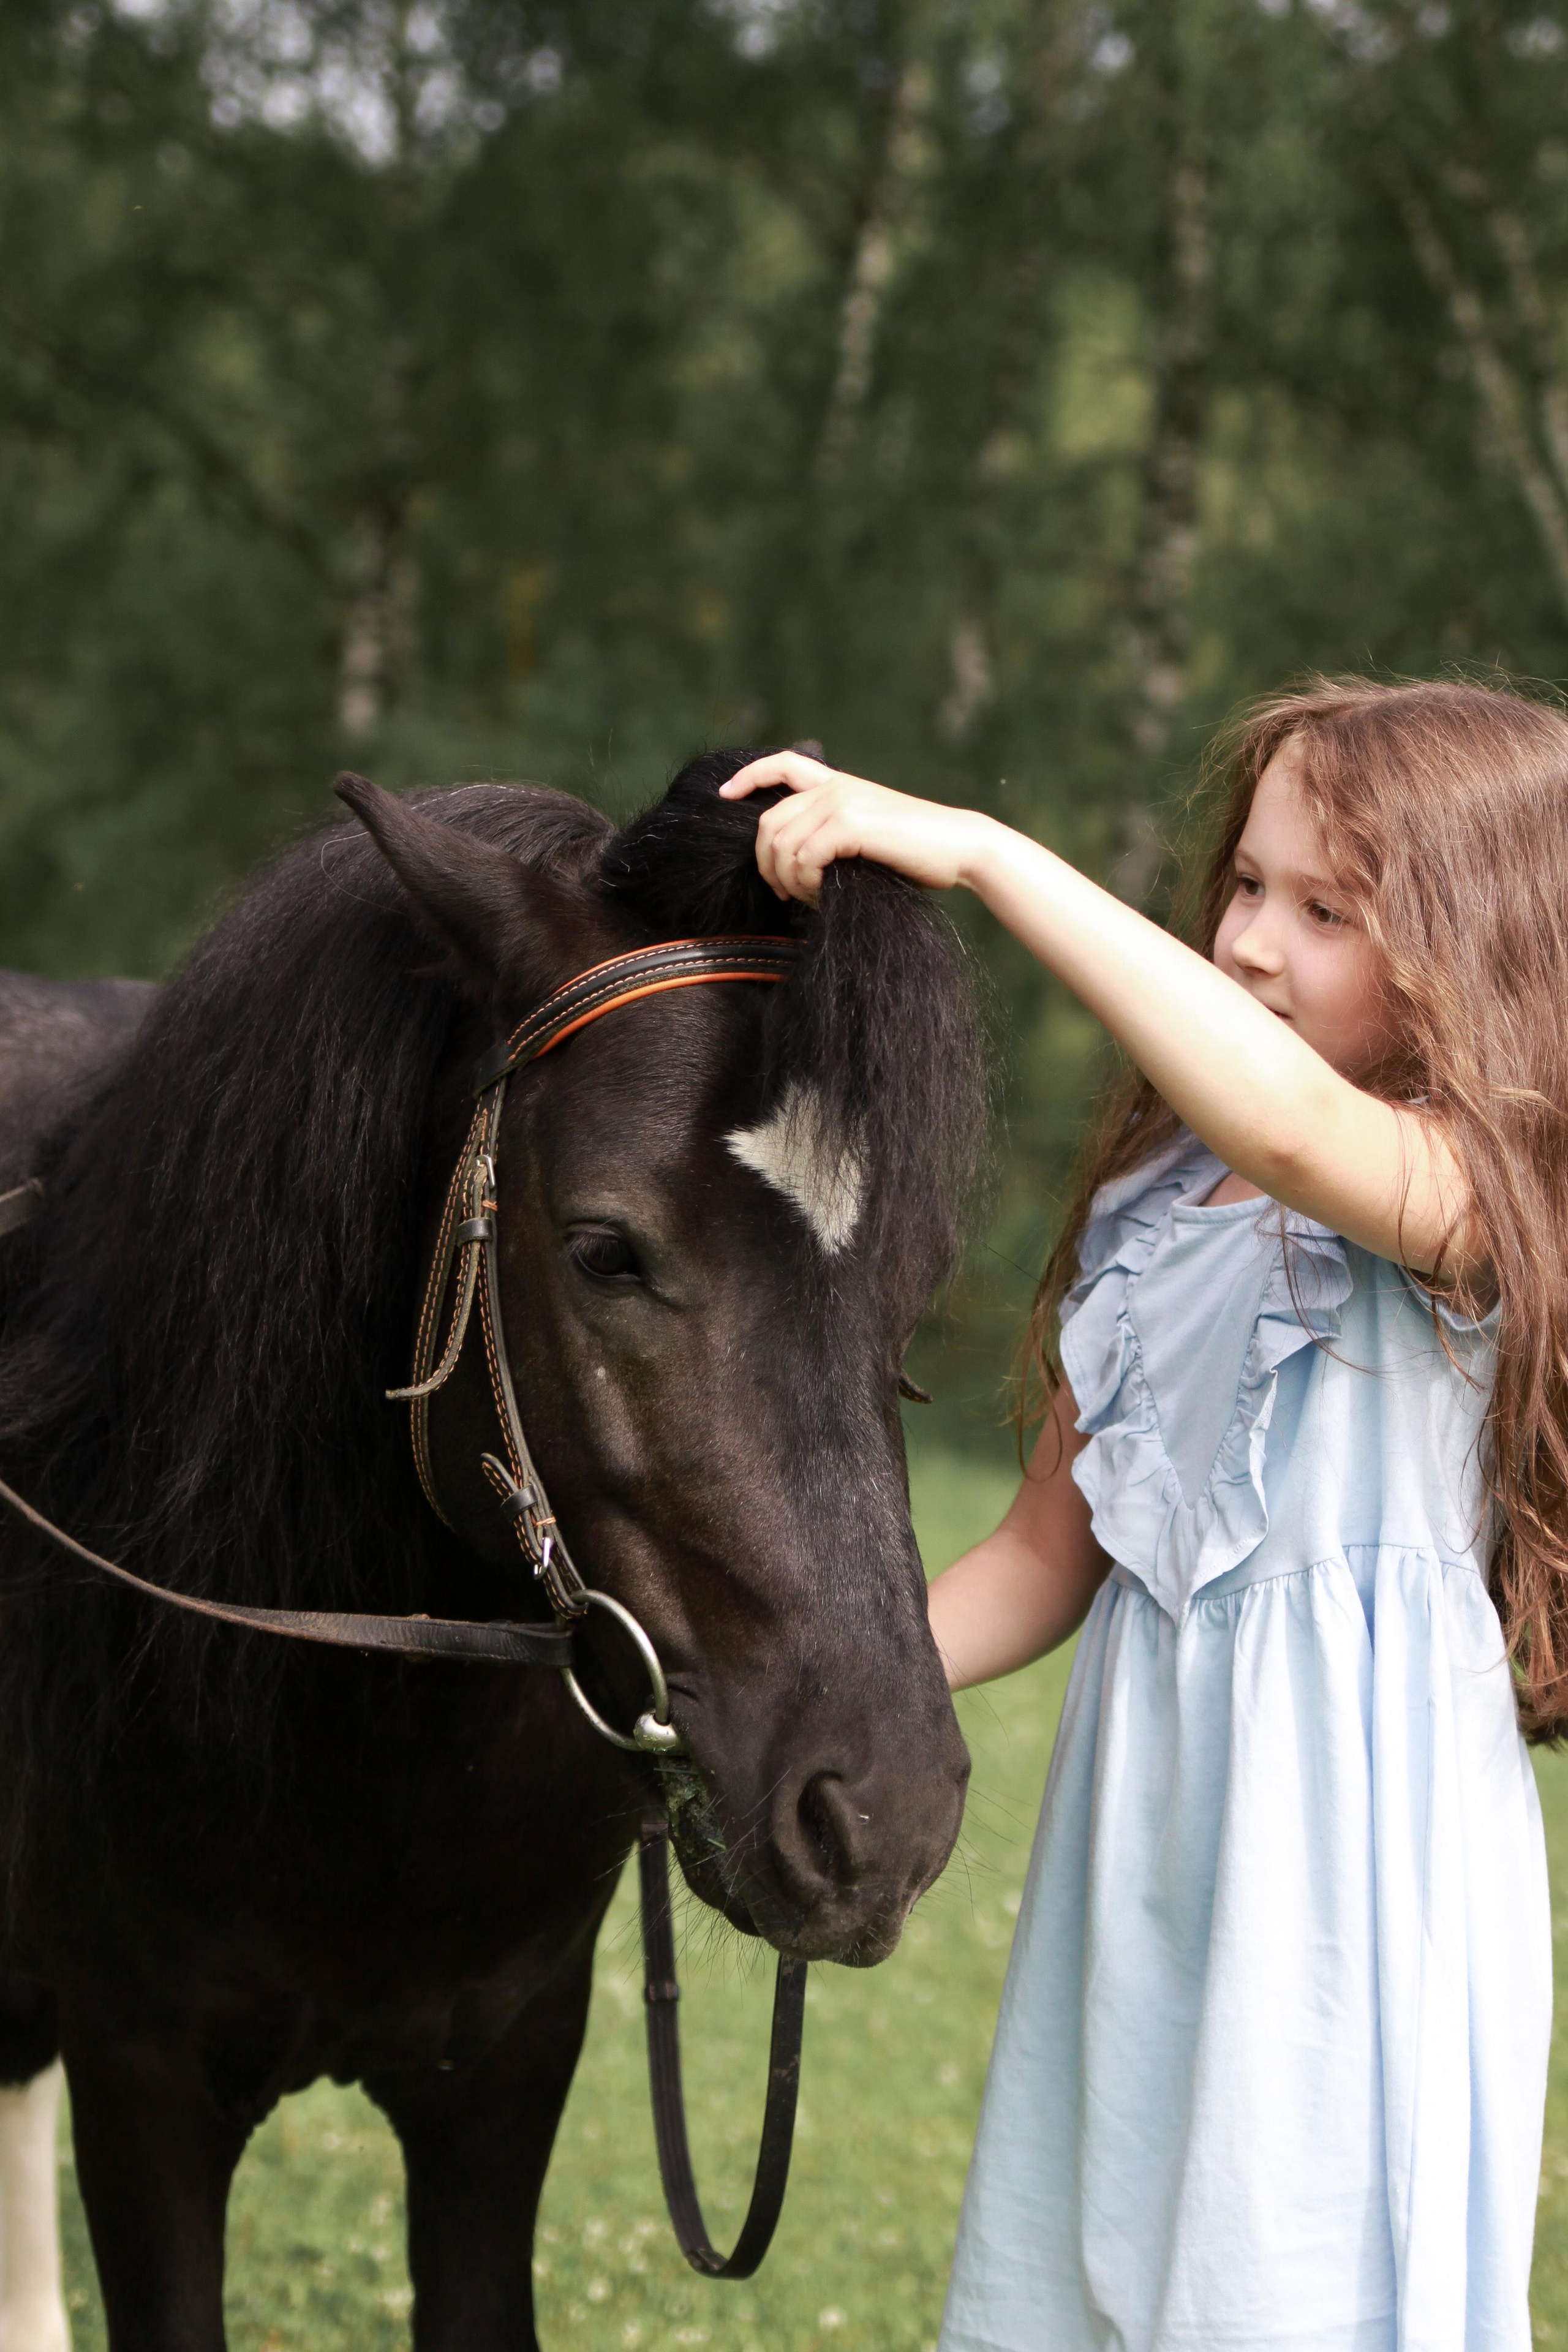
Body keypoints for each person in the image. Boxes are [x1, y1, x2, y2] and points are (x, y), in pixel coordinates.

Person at [720, 676, 1557, 2352]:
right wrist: (787, 1688)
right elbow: (1045, 1554)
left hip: (1347, 1864)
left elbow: (1299, 1127)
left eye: (1326, 911)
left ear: (1486, 947)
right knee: (1101, 2248)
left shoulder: (1476, 1193)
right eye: (1245, 884)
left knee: (1292, 2277)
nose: (1251, 941)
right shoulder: (1158, 1208)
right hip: (1148, 1838)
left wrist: (983, 856)